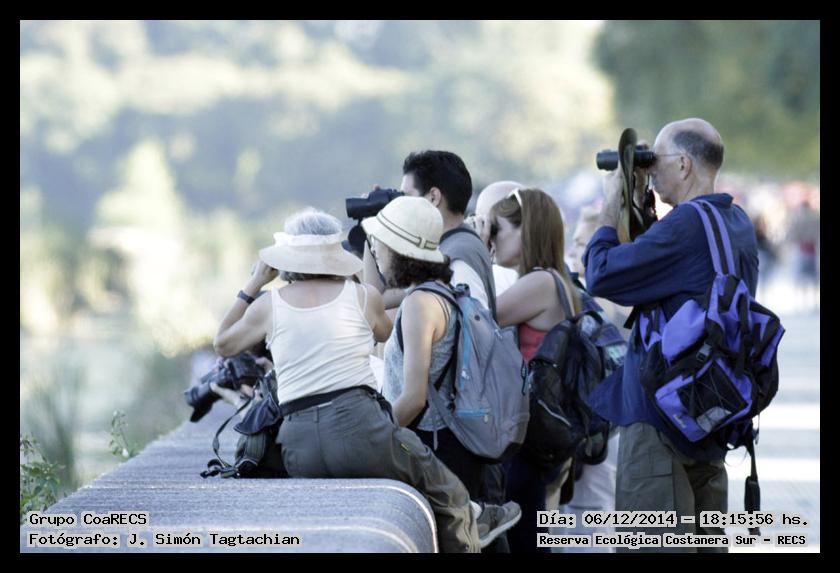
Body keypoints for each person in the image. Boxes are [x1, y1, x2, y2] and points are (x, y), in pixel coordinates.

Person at [211, 208, 514, 553]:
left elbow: (223, 343)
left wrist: (254, 283)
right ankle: (471, 530)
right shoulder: (362, 297)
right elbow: (384, 333)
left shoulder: (269, 305)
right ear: (334, 255)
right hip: (361, 432)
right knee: (442, 484)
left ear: (288, 257)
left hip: (298, 446)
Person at [583, 118, 759, 553]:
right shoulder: (734, 222)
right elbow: (667, 275)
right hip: (707, 415)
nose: (651, 168)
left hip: (658, 424)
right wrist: (641, 207)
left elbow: (601, 273)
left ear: (683, 164)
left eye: (656, 159)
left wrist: (612, 203)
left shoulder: (685, 227)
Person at [363, 196, 522, 548]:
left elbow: (414, 397)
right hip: (453, 444)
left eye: (378, 243)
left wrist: (375, 439)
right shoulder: (437, 293)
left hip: (438, 447)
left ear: (398, 250)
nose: (374, 250)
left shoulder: (420, 303)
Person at [486, 187, 582, 553]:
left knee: (524, 541)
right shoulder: (556, 279)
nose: (492, 238)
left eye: (497, 228)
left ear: (525, 230)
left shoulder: (540, 282)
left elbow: (471, 318)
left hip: (529, 437)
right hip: (541, 433)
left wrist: (474, 247)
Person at [364, 151, 496, 317]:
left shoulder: (459, 255)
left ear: (433, 197)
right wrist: (379, 224)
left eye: (406, 197)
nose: (401, 204)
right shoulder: (443, 249)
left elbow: (476, 326)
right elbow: (378, 299)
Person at [472, 181, 524, 296]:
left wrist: (477, 258)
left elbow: (478, 305)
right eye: (479, 223)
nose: (484, 233)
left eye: (492, 227)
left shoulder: (502, 275)